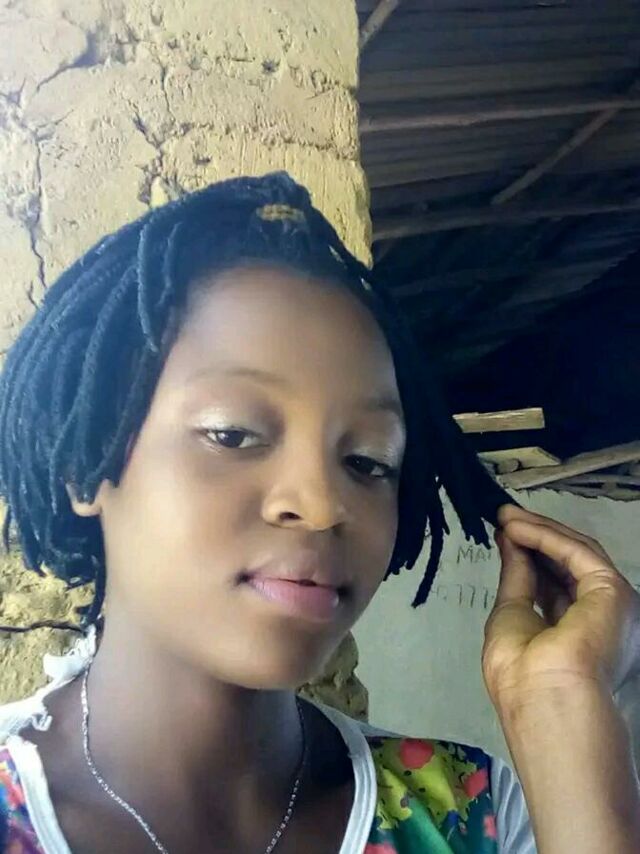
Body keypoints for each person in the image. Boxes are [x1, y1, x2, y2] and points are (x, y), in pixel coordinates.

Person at [0, 172, 637, 854]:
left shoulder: (470, 815)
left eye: (368, 460)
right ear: (85, 466)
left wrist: (564, 703)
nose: (322, 504)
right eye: (233, 434)